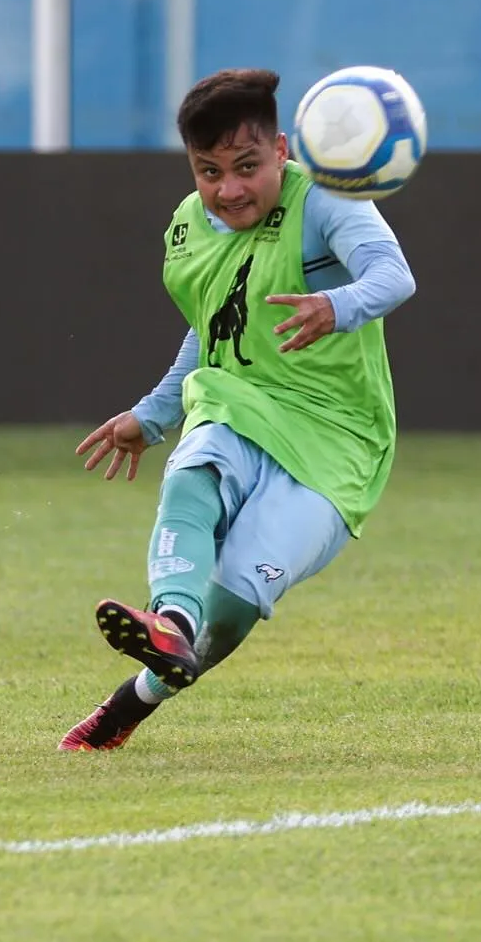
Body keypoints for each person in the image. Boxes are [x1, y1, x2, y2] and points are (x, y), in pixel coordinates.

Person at [59, 68, 417, 751]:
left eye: (247, 166)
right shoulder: (190, 230)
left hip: (336, 442)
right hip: (241, 404)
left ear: (282, 149)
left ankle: (131, 701)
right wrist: (154, 415)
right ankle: (170, 616)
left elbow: (393, 274)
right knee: (199, 464)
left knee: (237, 600)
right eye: (208, 171)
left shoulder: (326, 201)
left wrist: (334, 305)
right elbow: (214, 325)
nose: (228, 190)